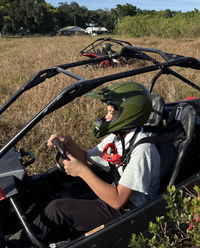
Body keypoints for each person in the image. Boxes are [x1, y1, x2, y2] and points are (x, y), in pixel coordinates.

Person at [11, 81, 161, 244]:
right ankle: (15, 229)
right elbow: (88, 159)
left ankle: (18, 245)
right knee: (53, 198)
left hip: (129, 212)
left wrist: (82, 172)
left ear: (129, 114)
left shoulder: (143, 149)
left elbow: (118, 201)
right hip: (114, 197)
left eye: (112, 112)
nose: (107, 116)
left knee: (57, 209)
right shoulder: (119, 137)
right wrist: (68, 143)